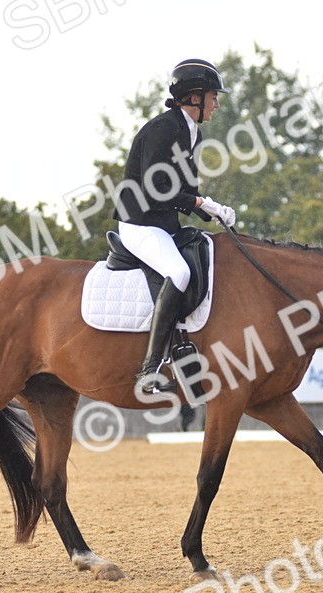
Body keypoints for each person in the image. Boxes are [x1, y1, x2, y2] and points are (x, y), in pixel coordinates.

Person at [115, 58, 237, 393]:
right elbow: (156, 187)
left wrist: (211, 211)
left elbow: (186, 189)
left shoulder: (191, 132)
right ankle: (149, 370)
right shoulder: (163, 129)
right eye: (213, 96)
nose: (216, 104)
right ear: (195, 97)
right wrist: (200, 204)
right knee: (179, 273)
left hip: (164, 224)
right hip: (139, 224)